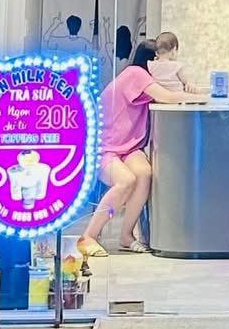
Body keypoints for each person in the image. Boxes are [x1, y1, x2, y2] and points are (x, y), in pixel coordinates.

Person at [77, 38, 202, 258]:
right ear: (154, 59)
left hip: (128, 148)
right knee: (125, 181)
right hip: (103, 148)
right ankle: (89, 236)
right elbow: (168, 97)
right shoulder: (136, 74)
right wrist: (201, 97)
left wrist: (188, 86)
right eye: (165, 60)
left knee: (144, 174)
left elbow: (168, 95)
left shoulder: (144, 79)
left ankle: (126, 236)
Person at [149, 30, 204, 95]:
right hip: (177, 96)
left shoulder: (151, 65)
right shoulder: (176, 66)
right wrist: (190, 83)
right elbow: (185, 81)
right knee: (197, 91)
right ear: (174, 50)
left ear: (156, 53)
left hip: (159, 96)